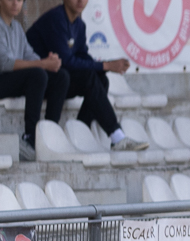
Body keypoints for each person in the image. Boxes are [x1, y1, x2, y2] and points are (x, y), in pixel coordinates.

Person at [26, 0, 147, 151]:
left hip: (59, 81)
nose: (80, 1)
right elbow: (66, 62)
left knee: (101, 80)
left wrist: (103, 67)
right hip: (36, 82)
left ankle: (80, 132)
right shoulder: (55, 19)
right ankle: (117, 136)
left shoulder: (79, 25)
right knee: (88, 77)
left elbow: (82, 56)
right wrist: (106, 65)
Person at [0, 0, 68, 161]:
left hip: (13, 79)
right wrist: (42, 64)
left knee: (61, 77)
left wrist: (49, 61)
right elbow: (4, 63)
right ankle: (30, 138)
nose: (16, 3)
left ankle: (49, 133)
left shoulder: (16, 28)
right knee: (37, 75)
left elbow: (30, 56)